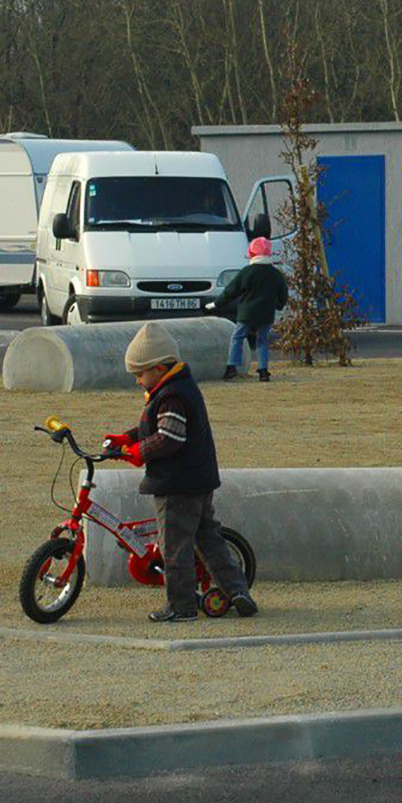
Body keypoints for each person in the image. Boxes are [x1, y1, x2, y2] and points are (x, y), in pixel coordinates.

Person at [103, 321, 256, 624]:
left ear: (158, 368)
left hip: (176, 483)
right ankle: (238, 590)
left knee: (175, 547)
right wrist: (130, 437)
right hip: (200, 478)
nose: (138, 381)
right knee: (209, 539)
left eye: (140, 374)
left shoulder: (170, 394)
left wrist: (138, 452)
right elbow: (159, 426)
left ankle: (181, 605)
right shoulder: (181, 386)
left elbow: (169, 438)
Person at [211, 237, 288, 381]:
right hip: (266, 312)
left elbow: (231, 290)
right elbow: (283, 293)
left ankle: (232, 367)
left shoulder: (247, 272)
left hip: (247, 312)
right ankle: (263, 370)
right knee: (262, 340)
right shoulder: (275, 274)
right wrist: (279, 305)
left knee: (237, 337)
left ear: (251, 254)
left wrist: (217, 303)